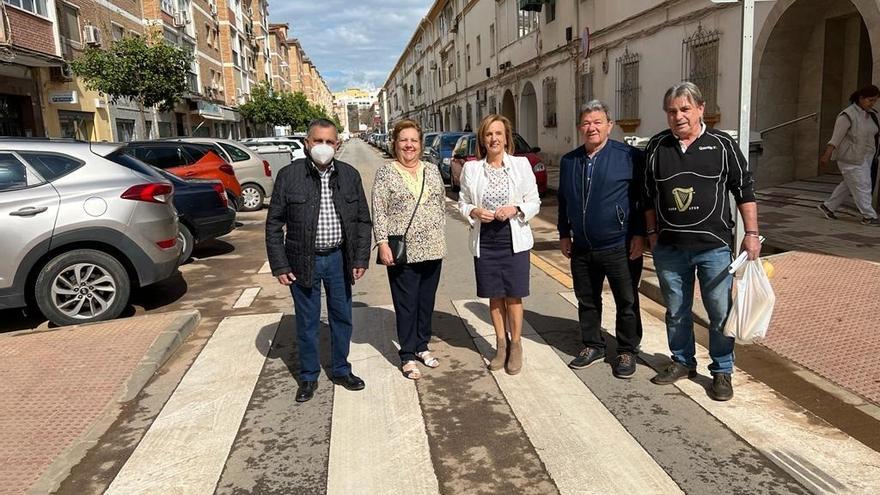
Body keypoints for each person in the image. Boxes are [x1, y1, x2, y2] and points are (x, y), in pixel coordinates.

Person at [643, 82, 760, 402]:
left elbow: (744, 190)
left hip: (714, 249)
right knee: (676, 310)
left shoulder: (722, 145)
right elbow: (646, 197)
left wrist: (751, 235)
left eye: (684, 109)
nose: (678, 116)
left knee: (720, 312)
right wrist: (652, 234)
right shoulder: (656, 146)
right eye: (671, 111)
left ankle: (722, 370)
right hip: (669, 249)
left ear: (700, 109)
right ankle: (682, 362)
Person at [265, 118, 372, 403]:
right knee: (308, 322)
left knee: (341, 317)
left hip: (339, 259)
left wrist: (360, 257)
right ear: (306, 143)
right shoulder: (289, 176)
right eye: (317, 141)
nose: (323, 147)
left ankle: (340, 369)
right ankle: (309, 376)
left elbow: (363, 220)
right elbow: (274, 224)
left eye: (329, 142)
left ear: (337, 145)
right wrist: (280, 264)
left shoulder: (349, 175)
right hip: (302, 260)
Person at [558, 100, 646, 379]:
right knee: (587, 299)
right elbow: (563, 200)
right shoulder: (569, 161)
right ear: (579, 127)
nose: (591, 127)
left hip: (619, 245)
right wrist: (563, 233)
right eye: (586, 122)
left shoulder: (629, 156)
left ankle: (627, 350)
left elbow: (642, 200)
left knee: (627, 300)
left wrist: (640, 235)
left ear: (610, 126)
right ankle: (592, 345)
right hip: (583, 246)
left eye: (597, 122)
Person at [458, 114, 540, 375]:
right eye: (488, 134)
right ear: (482, 139)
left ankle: (516, 345)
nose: (494, 138)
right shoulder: (472, 169)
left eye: (498, 133)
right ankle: (501, 345)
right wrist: (473, 212)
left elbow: (534, 201)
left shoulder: (520, 165)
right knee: (495, 295)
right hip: (487, 239)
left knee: (513, 295)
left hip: (513, 238)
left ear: (506, 138)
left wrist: (515, 208)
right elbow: (462, 202)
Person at [373, 119, 447, 380]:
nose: (409, 145)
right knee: (406, 304)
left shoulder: (431, 169)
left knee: (426, 302)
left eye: (414, 140)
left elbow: (440, 203)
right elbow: (379, 210)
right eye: (404, 140)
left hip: (433, 248)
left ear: (420, 144)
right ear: (395, 144)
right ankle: (406, 353)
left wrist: (439, 233)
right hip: (403, 250)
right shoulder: (386, 172)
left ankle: (421, 346)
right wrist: (382, 243)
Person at [817, 85, 880, 226]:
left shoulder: (871, 115)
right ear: (861, 98)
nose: (872, 103)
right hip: (850, 157)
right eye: (870, 100)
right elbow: (835, 138)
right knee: (863, 185)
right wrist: (826, 155)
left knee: (849, 184)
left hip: (866, 157)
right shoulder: (847, 115)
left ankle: (828, 207)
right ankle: (869, 216)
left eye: (874, 100)